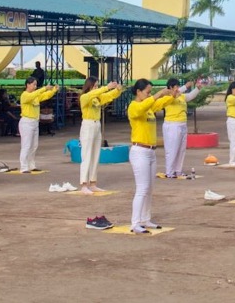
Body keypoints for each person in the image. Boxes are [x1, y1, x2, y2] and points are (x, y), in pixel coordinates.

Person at [127, 79, 172, 234]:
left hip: (151, 152)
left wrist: (171, 95)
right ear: (138, 92)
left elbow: (160, 103)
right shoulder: (134, 107)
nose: (150, 94)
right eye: (147, 91)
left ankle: (145, 218)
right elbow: (142, 107)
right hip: (139, 151)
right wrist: (158, 94)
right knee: (142, 188)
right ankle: (135, 222)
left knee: (150, 188)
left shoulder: (148, 107)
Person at [78, 77, 121, 194]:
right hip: (88, 125)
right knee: (86, 155)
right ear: (89, 86)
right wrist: (106, 87)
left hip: (97, 125)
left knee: (96, 155)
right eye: (95, 86)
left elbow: (108, 96)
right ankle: (83, 184)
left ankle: (93, 183)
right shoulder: (84, 97)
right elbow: (97, 92)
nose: (97, 88)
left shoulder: (97, 98)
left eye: (97, 85)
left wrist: (117, 90)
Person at [162, 78, 201, 178]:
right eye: (176, 87)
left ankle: (178, 170)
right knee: (172, 149)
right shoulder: (168, 96)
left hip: (182, 124)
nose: (178, 88)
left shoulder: (181, 96)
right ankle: (169, 171)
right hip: (172, 125)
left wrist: (197, 89)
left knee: (181, 149)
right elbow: (173, 94)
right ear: (170, 87)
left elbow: (190, 96)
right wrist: (186, 86)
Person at [18, 77, 58, 173]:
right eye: (33, 84)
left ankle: (31, 165)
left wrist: (54, 90)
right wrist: (44, 88)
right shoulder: (25, 95)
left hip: (35, 122)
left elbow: (45, 96)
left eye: (36, 85)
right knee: (26, 145)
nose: (35, 86)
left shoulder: (35, 96)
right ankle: (24, 166)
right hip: (27, 122)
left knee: (34, 145)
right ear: (28, 84)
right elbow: (36, 94)